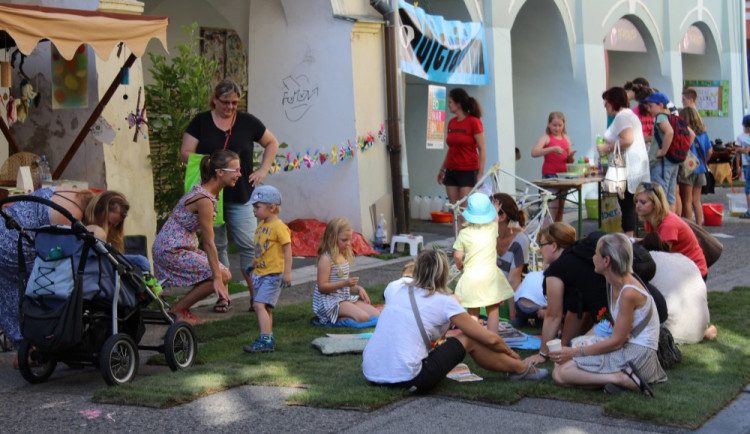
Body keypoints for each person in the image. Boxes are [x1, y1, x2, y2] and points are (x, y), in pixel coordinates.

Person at [362, 250, 548, 394]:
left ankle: (518, 369)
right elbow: (488, 339)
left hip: (371, 373)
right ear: (443, 274)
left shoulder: (396, 288)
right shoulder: (444, 302)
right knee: (470, 338)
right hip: (409, 379)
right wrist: (510, 352)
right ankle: (521, 368)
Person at [181, 79, 281, 302]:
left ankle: (257, 298)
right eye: (226, 102)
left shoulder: (247, 122)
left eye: (235, 103)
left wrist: (263, 170)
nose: (230, 107)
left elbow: (271, 142)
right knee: (217, 246)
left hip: (241, 195)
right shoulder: (201, 122)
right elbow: (185, 153)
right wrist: (213, 162)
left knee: (248, 245)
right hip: (210, 195)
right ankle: (223, 297)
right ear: (215, 100)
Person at [549, 233, 667, 397]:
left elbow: (617, 342)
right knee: (562, 367)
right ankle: (615, 379)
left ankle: (621, 379)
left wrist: (576, 352)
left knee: (561, 373)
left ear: (607, 261)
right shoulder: (615, 283)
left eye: (596, 253)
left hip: (639, 356)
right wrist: (577, 348)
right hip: (630, 351)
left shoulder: (628, 292)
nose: (593, 257)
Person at [0, 187, 94, 359]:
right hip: (14, 245)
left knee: (6, 293)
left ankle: (23, 346)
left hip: (4, 225)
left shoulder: (64, 190)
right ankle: (40, 340)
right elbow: (63, 250)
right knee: (40, 287)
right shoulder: (71, 215)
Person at [153, 150, 238, 326]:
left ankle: (181, 309)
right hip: (171, 249)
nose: (240, 174)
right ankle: (178, 311)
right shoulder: (204, 200)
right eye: (235, 170)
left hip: (181, 245)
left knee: (224, 275)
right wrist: (215, 277)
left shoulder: (211, 190)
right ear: (220, 172)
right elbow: (208, 242)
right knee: (221, 276)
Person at [524, 223, 607, 366]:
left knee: (562, 370)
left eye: (541, 244)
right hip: (617, 319)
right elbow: (578, 310)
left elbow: (553, 315)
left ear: (554, 246)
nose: (539, 249)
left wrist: (542, 354)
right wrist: (564, 346)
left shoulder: (557, 269)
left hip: (608, 326)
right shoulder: (581, 256)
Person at [453, 193, 514, 334]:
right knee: (493, 310)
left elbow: (457, 256)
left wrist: (460, 265)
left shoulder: (464, 234)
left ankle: (473, 338)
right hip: (490, 276)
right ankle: (492, 339)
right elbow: (495, 219)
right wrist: (495, 209)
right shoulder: (492, 229)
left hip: (471, 277)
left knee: (473, 311)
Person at [639, 232, 717, 343]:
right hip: (699, 329)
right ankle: (703, 331)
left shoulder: (649, 261)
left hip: (669, 332)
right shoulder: (684, 259)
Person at [243, 185, 292, 353]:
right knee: (266, 308)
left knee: (258, 305)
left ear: (272, 207)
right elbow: (261, 251)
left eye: (257, 207)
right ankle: (267, 336)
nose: (254, 211)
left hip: (273, 275)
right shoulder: (260, 227)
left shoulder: (279, 227)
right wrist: (252, 264)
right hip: (260, 274)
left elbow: (287, 251)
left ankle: (266, 340)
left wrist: (287, 273)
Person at [598, 87, 650, 236]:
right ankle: (628, 236)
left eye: (606, 103)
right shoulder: (628, 115)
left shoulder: (622, 116)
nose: (605, 107)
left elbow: (627, 139)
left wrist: (607, 147)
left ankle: (628, 238)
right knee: (629, 205)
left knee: (627, 205)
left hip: (628, 168)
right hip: (632, 165)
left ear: (613, 102)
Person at [312, 217, 379, 325]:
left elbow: (346, 283)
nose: (348, 243)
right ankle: (331, 319)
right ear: (331, 238)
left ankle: (345, 314)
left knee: (375, 313)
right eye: (344, 240)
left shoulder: (343, 255)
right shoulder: (326, 259)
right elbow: (322, 287)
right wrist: (344, 283)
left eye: (349, 240)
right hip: (330, 302)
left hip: (343, 298)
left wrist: (358, 288)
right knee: (363, 318)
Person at [634, 182, 708, 278]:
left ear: (656, 204)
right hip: (682, 266)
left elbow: (663, 255)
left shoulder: (668, 225)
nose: (637, 206)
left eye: (643, 202)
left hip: (694, 272)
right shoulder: (650, 220)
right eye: (636, 201)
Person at [644, 92, 695, 212]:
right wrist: (683, 150)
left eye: (651, 106)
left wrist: (662, 151)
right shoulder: (675, 118)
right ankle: (671, 225)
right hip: (673, 163)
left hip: (660, 164)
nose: (649, 109)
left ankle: (662, 227)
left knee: (659, 197)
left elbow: (669, 132)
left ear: (660, 105)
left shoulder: (660, 117)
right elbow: (691, 134)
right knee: (670, 198)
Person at [437, 88, 486, 207]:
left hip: (468, 170)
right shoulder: (452, 122)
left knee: (464, 209)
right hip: (452, 169)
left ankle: (465, 226)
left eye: (450, 102)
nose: (448, 105)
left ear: (458, 104)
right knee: (455, 209)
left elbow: (482, 149)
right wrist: (442, 169)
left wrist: (480, 173)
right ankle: (456, 227)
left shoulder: (474, 122)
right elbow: (451, 148)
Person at [493, 192, 530, 322]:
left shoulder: (520, 240)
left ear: (501, 216)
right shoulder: (487, 234)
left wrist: (513, 314)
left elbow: (513, 280)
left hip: (507, 296)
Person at [530, 111, 574, 222]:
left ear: (564, 125)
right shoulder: (546, 138)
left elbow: (570, 159)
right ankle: (546, 235)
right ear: (549, 124)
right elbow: (534, 153)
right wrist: (553, 149)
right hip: (550, 175)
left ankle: (558, 235)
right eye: (554, 125)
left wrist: (570, 157)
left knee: (560, 208)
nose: (557, 128)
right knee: (551, 209)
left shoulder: (566, 138)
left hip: (563, 175)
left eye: (560, 125)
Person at [677, 107, 713, 225]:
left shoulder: (685, 132)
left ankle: (689, 227)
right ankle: (699, 227)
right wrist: (704, 162)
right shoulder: (703, 133)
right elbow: (710, 151)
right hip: (701, 169)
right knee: (697, 201)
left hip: (688, 170)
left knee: (687, 201)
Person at [736, 115, 750, 219]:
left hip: (749, 166)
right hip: (745, 165)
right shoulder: (741, 137)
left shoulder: (748, 139)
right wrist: (738, 166)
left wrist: (738, 149)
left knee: (748, 189)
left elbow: (745, 151)